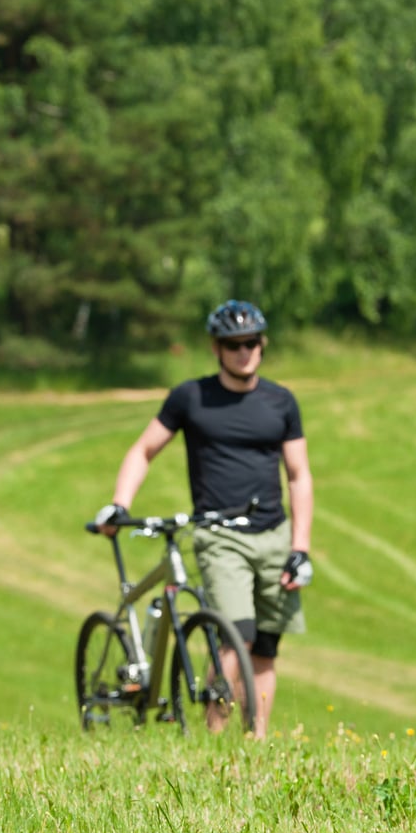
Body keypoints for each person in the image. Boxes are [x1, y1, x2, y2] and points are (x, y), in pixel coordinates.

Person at [94, 300, 313, 738]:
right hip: (219, 535)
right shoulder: (190, 398)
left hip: (274, 534)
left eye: (251, 342)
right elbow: (143, 450)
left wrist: (300, 549)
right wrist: (120, 502)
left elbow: (299, 475)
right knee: (235, 635)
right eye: (233, 344)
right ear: (216, 348)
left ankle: (258, 742)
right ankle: (213, 740)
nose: (243, 351)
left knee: (266, 646)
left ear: (262, 344)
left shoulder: (281, 402)